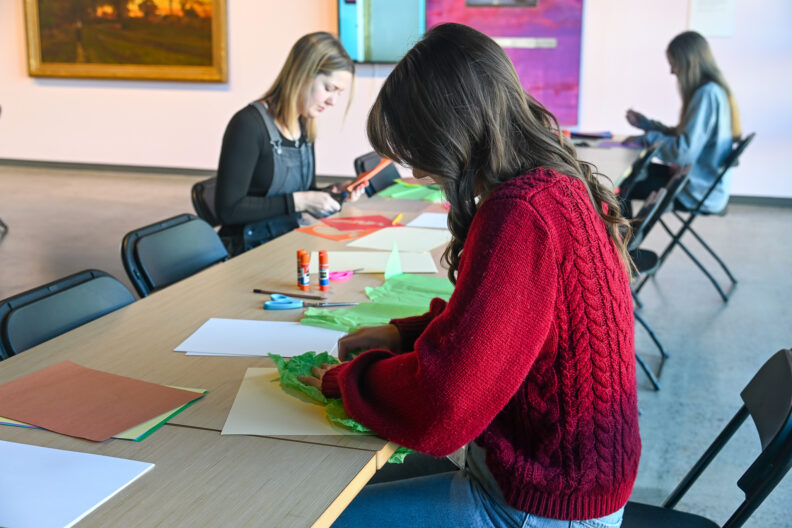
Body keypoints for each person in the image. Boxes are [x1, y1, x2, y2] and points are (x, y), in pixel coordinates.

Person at [300, 23, 641, 528]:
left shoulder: (520, 213)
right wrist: (401, 334)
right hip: (572, 487)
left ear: (453, 132)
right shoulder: (556, 187)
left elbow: (444, 409)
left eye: (419, 150)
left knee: (310, 515)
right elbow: (504, 328)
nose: (417, 174)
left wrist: (351, 380)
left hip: (539, 505)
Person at [215, 32, 362, 255]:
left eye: (338, 94)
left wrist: (333, 193)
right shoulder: (248, 125)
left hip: (287, 243)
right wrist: (300, 201)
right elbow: (229, 210)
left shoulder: (303, 126)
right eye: (329, 89)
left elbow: (302, 194)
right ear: (302, 75)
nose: (333, 101)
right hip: (247, 251)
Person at [623, 30, 741, 216]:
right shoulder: (711, 91)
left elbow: (682, 152)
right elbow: (683, 137)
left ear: (689, 63)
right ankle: (623, 241)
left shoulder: (706, 94)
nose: (672, 71)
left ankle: (622, 243)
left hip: (696, 190)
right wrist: (647, 125)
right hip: (696, 181)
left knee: (622, 184)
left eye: (674, 64)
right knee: (629, 176)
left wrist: (647, 138)